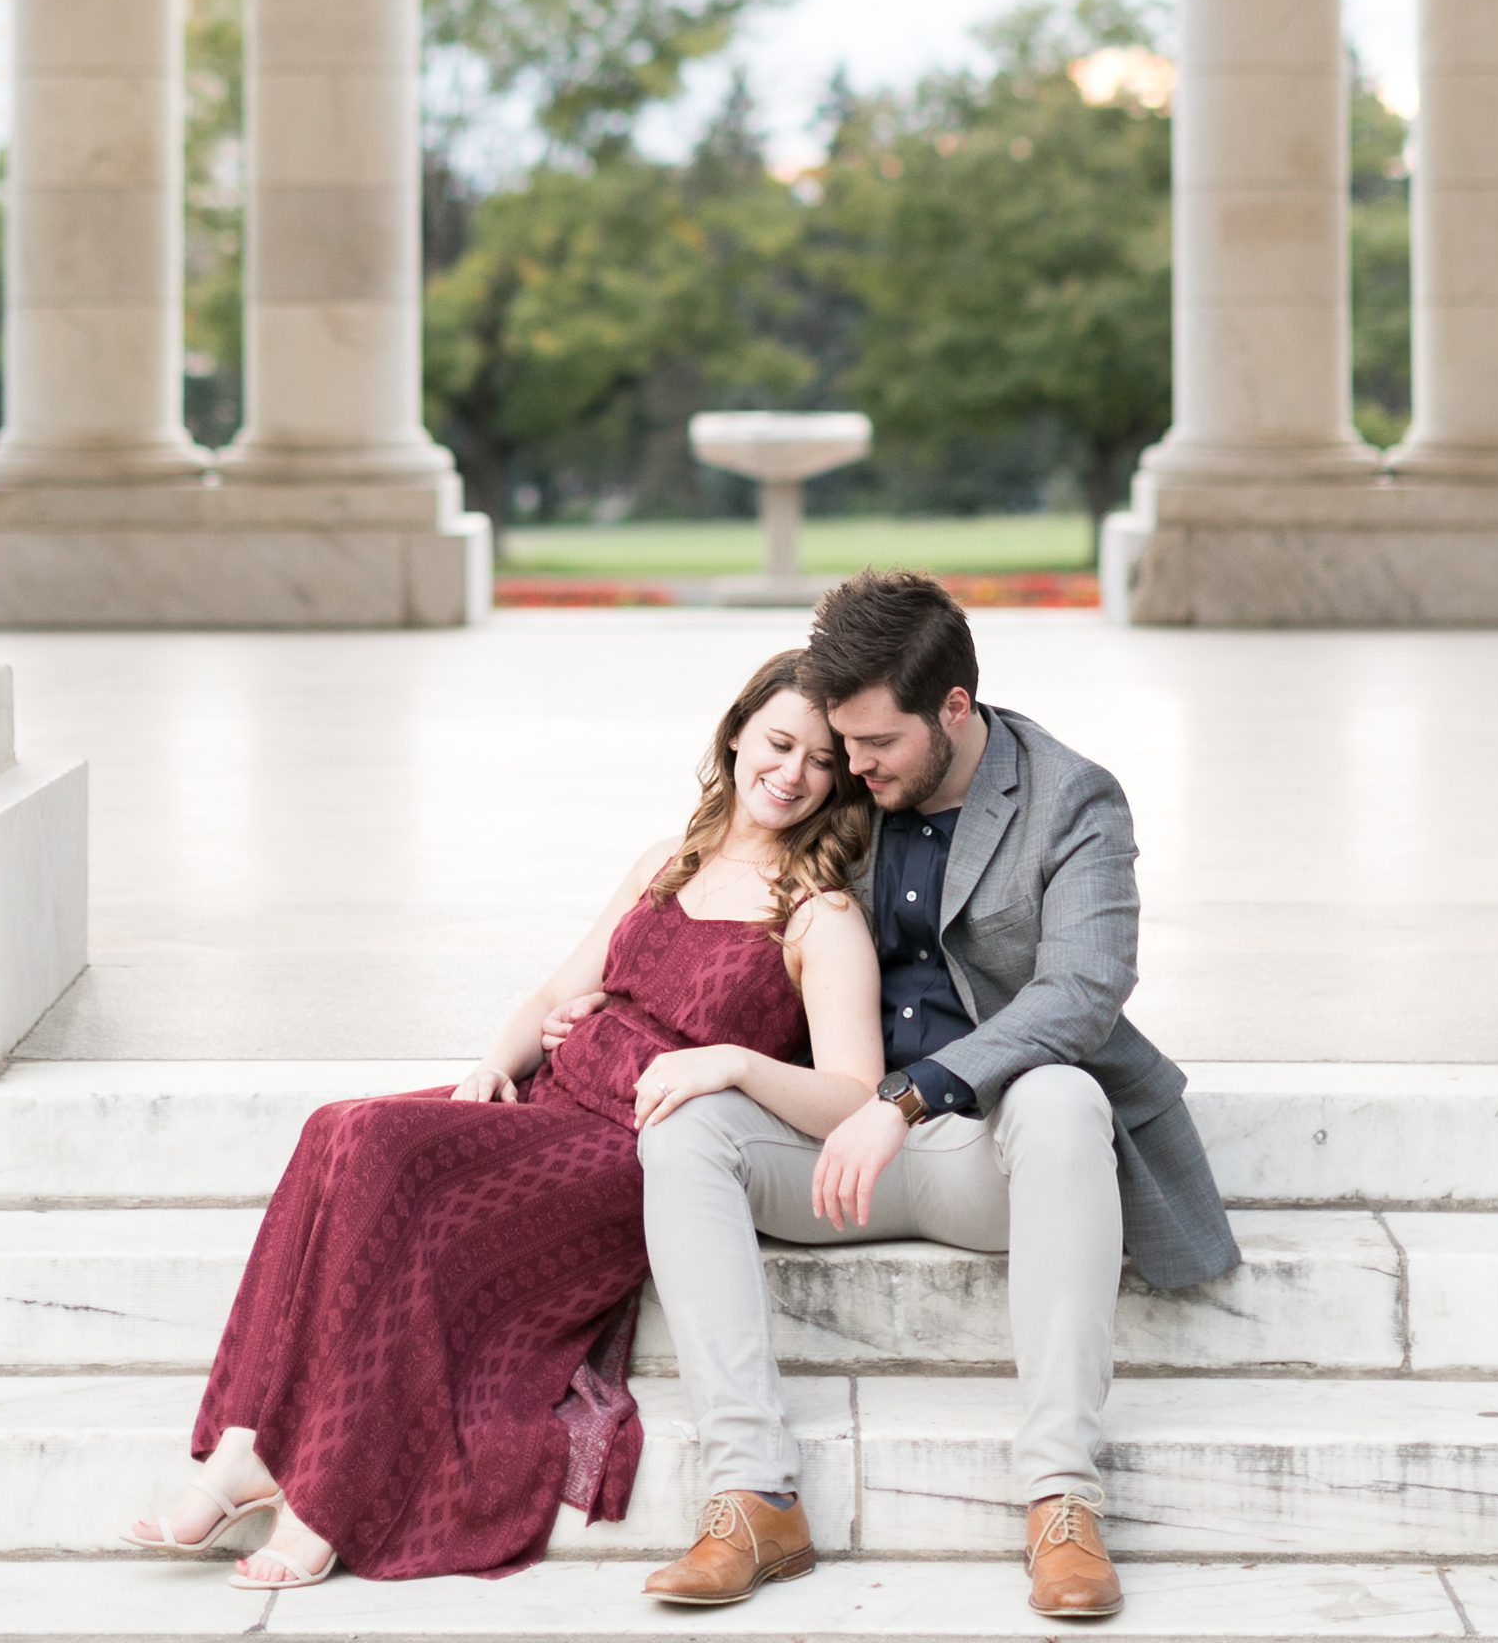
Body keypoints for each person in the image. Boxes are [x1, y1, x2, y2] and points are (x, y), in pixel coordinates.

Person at [126, 652, 880, 1588]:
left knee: (384, 1153)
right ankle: (247, 1445)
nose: (792, 772)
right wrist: (493, 1062)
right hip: (551, 1098)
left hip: (629, 1150)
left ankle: (328, 1497)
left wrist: (733, 1062)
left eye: (820, 760)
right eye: (777, 742)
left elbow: (854, 1093)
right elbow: (563, 990)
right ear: (735, 734)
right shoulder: (667, 860)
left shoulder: (819, 915)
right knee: (338, 1127)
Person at [628, 570, 1239, 1617]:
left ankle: (1060, 1501)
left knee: (1061, 1096)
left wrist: (905, 1102)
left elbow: (1082, 990)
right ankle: (752, 1495)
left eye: (873, 745)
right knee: (688, 1132)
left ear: (953, 709)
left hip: (983, 1148)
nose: (848, 769)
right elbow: (712, 891)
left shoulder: (1071, 798)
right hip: (828, 1146)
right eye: (841, 744)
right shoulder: (852, 786)